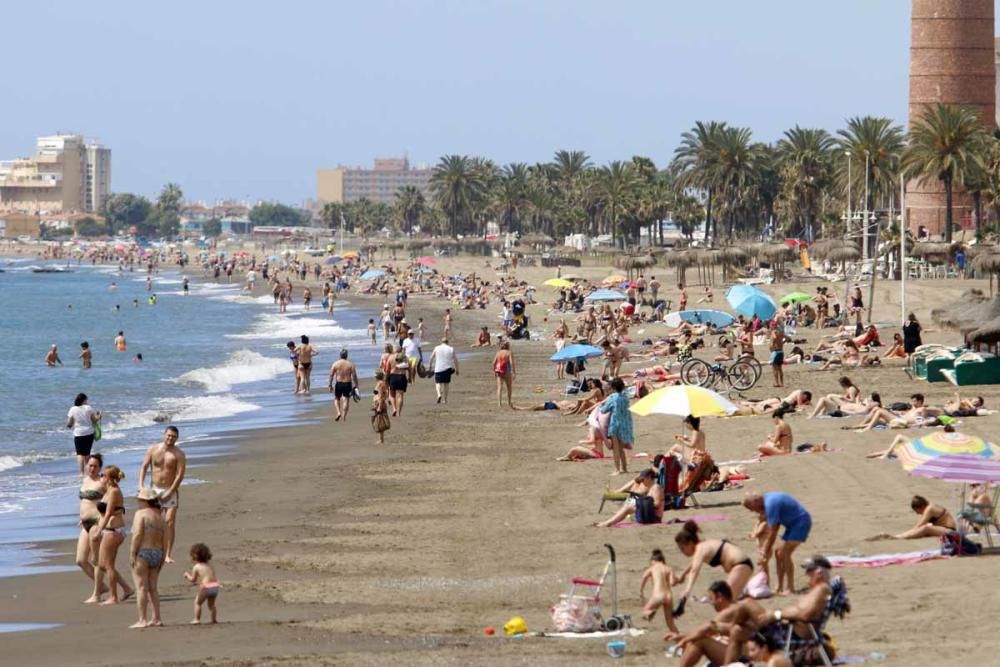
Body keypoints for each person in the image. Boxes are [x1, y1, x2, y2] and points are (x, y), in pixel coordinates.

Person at [673, 520, 754, 610]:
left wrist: (686, 591)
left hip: (740, 565)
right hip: (742, 566)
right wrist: (683, 575)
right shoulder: (703, 546)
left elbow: (694, 571)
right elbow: (694, 563)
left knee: (725, 603)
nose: (682, 552)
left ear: (690, 543)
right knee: (730, 605)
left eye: (683, 548)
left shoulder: (700, 549)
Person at [743, 491, 811, 596]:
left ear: (757, 501)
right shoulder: (768, 500)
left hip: (800, 523)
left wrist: (764, 552)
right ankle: (779, 587)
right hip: (792, 525)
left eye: (753, 508)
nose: (754, 511)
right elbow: (776, 523)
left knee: (784, 553)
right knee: (778, 553)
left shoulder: (770, 504)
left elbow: (773, 532)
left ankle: (790, 588)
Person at [86, 465, 134, 604]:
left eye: (103, 475)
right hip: (109, 530)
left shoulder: (114, 492)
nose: (101, 477)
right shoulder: (108, 491)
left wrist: (98, 531)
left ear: (109, 478)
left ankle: (113, 596)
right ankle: (126, 589)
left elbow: (108, 513)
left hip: (114, 531)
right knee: (102, 564)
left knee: (107, 565)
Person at [139, 426, 186, 564]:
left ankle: (167, 554)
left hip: (170, 489)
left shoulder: (178, 454)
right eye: (168, 435)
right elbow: (144, 467)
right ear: (164, 435)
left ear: (177, 438)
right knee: (153, 521)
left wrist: (171, 491)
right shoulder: (153, 449)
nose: (170, 438)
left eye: (173, 437)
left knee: (169, 522)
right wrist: (141, 485)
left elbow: (179, 475)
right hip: (154, 489)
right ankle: (153, 549)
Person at [129, 488, 165, 628]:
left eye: (139, 500)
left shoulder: (141, 514)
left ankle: (142, 620)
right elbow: (165, 538)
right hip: (157, 552)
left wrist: (132, 553)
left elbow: (137, 534)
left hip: (143, 552)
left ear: (145, 501)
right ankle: (156, 618)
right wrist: (163, 555)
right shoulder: (159, 516)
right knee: (153, 588)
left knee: (141, 587)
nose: (138, 502)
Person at [77, 454, 107, 589]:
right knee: (81, 561)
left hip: (96, 522)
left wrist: (104, 519)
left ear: (100, 467)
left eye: (95, 466)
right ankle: (103, 586)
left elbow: (112, 500)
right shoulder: (85, 480)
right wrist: (81, 518)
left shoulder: (102, 482)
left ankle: (99, 591)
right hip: (85, 524)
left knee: (97, 561)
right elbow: (85, 501)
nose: (92, 468)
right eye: (90, 465)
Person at [867, 495, 956, 540]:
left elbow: (919, 525)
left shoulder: (930, 509)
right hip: (943, 529)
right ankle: (898, 536)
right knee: (925, 528)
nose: (918, 514)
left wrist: (903, 535)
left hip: (949, 531)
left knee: (925, 528)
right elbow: (919, 523)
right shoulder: (929, 507)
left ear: (920, 507)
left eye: (918, 511)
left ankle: (898, 537)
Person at [594, 469, 664, 527]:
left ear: (649, 478)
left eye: (643, 480)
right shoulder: (651, 488)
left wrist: (641, 503)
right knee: (630, 504)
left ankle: (607, 523)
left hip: (654, 518)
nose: (642, 482)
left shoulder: (656, 488)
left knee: (629, 507)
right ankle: (608, 522)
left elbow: (657, 504)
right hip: (649, 514)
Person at [639, 549, 679, 635]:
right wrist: (678, 579)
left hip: (658, 595)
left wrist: (641, 591)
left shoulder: (653, 568)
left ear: (654, 561)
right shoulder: (669, 568)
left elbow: (644, 577)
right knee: (670, 623)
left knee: (644, 611)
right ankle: (681, 642)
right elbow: (672, 583)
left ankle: (650, 612)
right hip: (668, 596)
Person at [600, 377, 633, 475]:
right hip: (625, 425)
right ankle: (624, 468)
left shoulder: (613, 397)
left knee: (615, 448)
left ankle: (617, 469)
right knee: (621, 448)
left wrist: (601, 405)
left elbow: (604, 410)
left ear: (613, 387)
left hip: (615, 424)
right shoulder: (625, 397)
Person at [184, 543, 220, 624]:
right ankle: (213, 620)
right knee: (211, 605)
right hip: (215, 586)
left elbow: (193, 580)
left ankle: (197, 619)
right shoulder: (210, 563)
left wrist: (187, 575)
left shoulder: (196, 567)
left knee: (197, 602)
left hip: (206, 587)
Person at [67, 393, 101, 475]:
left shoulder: (72, 409)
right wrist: (99, 416)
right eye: (86, 400)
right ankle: (89, 471)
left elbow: (69, 423)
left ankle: (81, 472)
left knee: (79, 454)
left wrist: (70, 425)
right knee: (87, 453)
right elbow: (94, 420)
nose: (87, 401)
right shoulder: (88, 408)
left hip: (78, 433)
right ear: (84, 400)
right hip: (89, 433)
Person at [328, 348, 359, 422]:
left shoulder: (335, 363)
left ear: (340, 355)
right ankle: (344, 416)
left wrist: (330, 385)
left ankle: (338, 412)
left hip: (339, 383)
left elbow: (331, 375)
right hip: (347, 383)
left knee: (337, 398)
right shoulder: (350, 364)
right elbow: (354, 375)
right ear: (347, 355)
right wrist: (356, 385)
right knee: (346, 399)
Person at [428, 337, 459, 404]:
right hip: (447, 369)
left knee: (438, 383)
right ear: (447, 342)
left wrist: (430, 367)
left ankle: (439, 394)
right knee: (446, 384)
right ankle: (445, 400)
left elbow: (431, 358)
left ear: (441, 342)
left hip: (438, 368)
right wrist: (457, 369)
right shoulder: (451, 349)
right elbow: (455, 360)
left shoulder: (437, 348)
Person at [492, 341, 515, 408]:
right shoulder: (509, 352)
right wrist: (514, 372)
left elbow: (493, 363)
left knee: (499, 387)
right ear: (508, 346)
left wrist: (494, 371)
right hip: (507, 371)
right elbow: (511, 363)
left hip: (499, 371)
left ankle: (499, 403)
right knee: (509, 387)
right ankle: (509, 402)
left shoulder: (498, 353)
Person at [387, 350, 410, 417]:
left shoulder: (391, 357)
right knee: (400, 395)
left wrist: (386, 379)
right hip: (402, 376)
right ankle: (399, 413)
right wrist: (410, 377)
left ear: (394, 350)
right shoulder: (404, 357)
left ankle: (394, 409)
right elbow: (409, 367)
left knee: (391, 395)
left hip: (393, 376)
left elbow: (388, 369)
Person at [371, 369, 391, 444]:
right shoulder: (381, 383)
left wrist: (379, 406)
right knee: (379, 420)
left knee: (379, 420)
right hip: (378, 403)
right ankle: (381, 438)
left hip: (379, 403)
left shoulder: (380, 384)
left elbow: (381, 396)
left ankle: (381, 439)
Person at [768, 322, 785, 388]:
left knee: (774, 368)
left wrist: (772, 346)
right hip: (781, 351)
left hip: (775, 351)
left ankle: (777, 383)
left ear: (772, 326)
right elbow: (786, 338)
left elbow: (774, 337)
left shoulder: (774, 332)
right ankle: (782, 383)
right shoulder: (780, 332)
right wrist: (782, 343)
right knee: (780, 368)